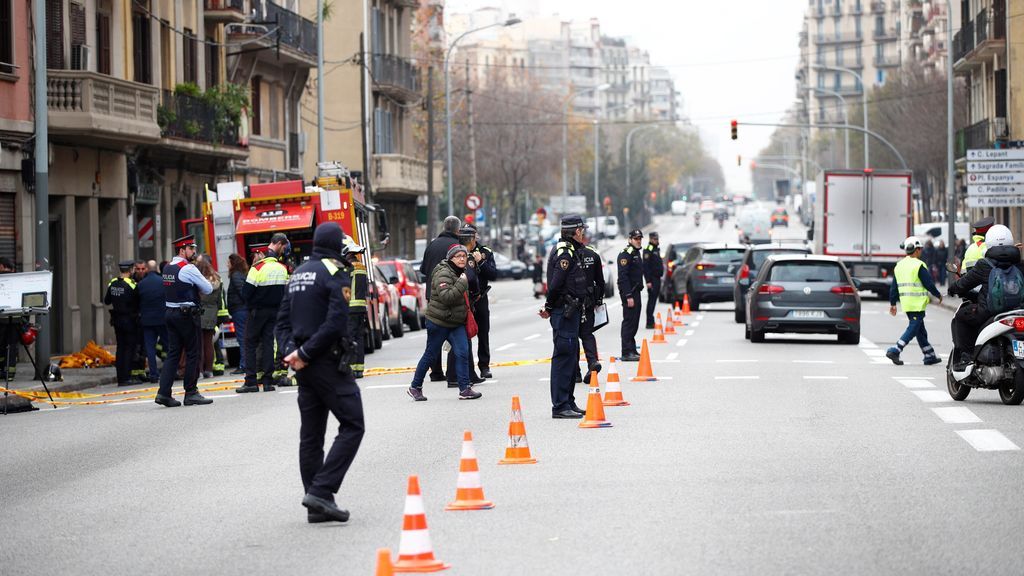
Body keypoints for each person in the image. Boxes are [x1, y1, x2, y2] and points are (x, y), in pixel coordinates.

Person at [276, 222, 364, 524]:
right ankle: (321, 490)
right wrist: (306, 353)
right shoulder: (334, 272)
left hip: (303, 367)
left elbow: (282, 322)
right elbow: (336, 323)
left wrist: (293, 353)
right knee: (353, 424)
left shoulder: (298, 273)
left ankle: (318, 505)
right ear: (335, 244)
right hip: (326, 361)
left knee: (311, 435)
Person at [407, 244, 482, 401]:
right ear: (451, 258)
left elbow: (471, 288)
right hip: (439, 321)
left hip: (456, 322)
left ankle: (464, 388)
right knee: (431, 354)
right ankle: (415, 387)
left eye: (464, 256)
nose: (462, 259)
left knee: (462, 353)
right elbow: (447, 297)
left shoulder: (461, 272)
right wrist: (462, 282)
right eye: (458, 256)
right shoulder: (443, 273)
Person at [948, 225, 1024, 370]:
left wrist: (953, 288)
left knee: (961, 317)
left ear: (988, 242)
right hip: (1018, 310)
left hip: (989, 311)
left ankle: (965, 357)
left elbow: (964, 283)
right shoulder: (1019, 264)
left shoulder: (985, 265)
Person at [155, 235, 214, 407]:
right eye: (191, 249)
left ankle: (164, 393)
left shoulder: (167, 267)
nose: (194, 252)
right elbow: (208, 289)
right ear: (182, 250)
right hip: (187, 315)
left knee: (173, 354)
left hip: (170, 313)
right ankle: (191, 392)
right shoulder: (188, 268)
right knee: (193, 353)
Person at [541, 215, 590, 419]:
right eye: (582, 230)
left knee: (571, 358)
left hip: (571, 312)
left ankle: (568, 401)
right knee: (563, 358)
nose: (584, 234)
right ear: (576, 232)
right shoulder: (564, 253)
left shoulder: (571, 251)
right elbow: (554, 285)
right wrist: (549, 306)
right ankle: (560, 405)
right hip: (564, 312)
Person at [237, 233, 290, 393]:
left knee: (250, 343)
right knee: (268, 344)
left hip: (257, 311)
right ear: (279, 244)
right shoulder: (282, 268)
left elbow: (246, 293)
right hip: (274, 312)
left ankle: (251, 382)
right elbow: (285, 293)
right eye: (284, 247)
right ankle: (268, 382)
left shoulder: (257, 268)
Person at [885, 236, 943, 367]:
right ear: (916, 250)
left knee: (920, 330)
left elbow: (894, 286)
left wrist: (892, 303)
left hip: (907, 303)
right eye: (920, 249)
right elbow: (928, 283)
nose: (921, 251)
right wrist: (938, 294)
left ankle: (929, 355)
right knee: (913, 328)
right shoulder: (919, 265)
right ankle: (896, 350)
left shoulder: (899, 265)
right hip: (917, 303)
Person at [420, 216, 462, 383]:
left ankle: (435, 372)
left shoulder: (432, 245)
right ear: (457, 230)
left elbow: (423, 270)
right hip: (451, 295)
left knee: (434, 336)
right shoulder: (456, 247)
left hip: (432, 296)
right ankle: (453, 372)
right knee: (454, 331)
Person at [445, 226, 483, 386]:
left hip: (460, 304)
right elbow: (471, 279)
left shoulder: (455, 255)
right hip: (461, 304)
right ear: (472, 240)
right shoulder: (466, 257)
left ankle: (467, 375)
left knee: (462, 341)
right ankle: (455, 377)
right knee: (459, 342)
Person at [104, 260, 141, 386]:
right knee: (129, 348)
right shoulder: (132, 284)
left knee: (120, 348)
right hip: (129, 320)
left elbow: (107, 301)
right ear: (130, 270)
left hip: (116, 320)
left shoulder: (113, 283)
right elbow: (138, 302)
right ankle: (126, 377)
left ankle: (120, 377)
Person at [469, 225, 498, 379]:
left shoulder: (485, 252)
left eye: (470, 236)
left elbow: (493, 274)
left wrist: (481, 262)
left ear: (475, 237)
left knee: (483, 332)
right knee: (462, 334)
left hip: (480, 297)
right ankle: (465, 367)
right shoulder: (457, 252)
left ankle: (484, 365)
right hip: (463, 299)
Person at [576, 237, 605, 384]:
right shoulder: (593, 254)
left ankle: (575, 373)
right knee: (587, 334)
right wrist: (598, 300)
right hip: (589, 302)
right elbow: (600, 281)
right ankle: (592, 362)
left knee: (572, 336)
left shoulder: (568, 254)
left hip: (573, 303)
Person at [617, 229, 645, 362]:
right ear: (630, 240)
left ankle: (632, 349)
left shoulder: (636, 253)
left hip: (636, 292)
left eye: (640, 238)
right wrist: (628, 296)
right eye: (636, 239)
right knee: (629, 322)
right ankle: (626, 351)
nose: (638, 241)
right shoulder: (625, 255)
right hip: (630, 293)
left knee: (635, 322)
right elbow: (623, 277)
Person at [138, 260, 167, 382]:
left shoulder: (141, 284)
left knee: (150, 348)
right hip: (162, 319)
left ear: (148, 269)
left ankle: (154, 375)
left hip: (147, 321)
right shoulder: (163, 282)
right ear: (157, 269)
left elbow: (138, 301)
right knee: (169, 346)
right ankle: (169, 372)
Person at [197, 259, 223, 379]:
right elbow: (219, 300)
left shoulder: (199, 281)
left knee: (199, 343)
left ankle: (200, 371)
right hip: (212, 313)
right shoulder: (217, 280)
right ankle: (209, 370)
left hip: (200, 313)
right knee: (209, 344)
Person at [226, 253, 249, 375]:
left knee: (242, 338)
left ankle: (243, 365)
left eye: (229, 262)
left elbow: (242, 293)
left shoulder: (235, 276)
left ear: (233, 263)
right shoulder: (240, 274)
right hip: (241, 310)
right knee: (244, 338)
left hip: (239, 311)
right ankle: (245, 363)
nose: (227, 264)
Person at [643, 231, 664, 329]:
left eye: (657, 239)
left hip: (657, 278)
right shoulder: (649, 249)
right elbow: (646, 267)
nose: (657, 241)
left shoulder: (656, 249)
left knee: (654, 300)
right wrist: (648, 281)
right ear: (650, 239)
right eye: (655, 239)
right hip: (652, 279)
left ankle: (651, 321)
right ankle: (649, 322)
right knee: (651, 300)